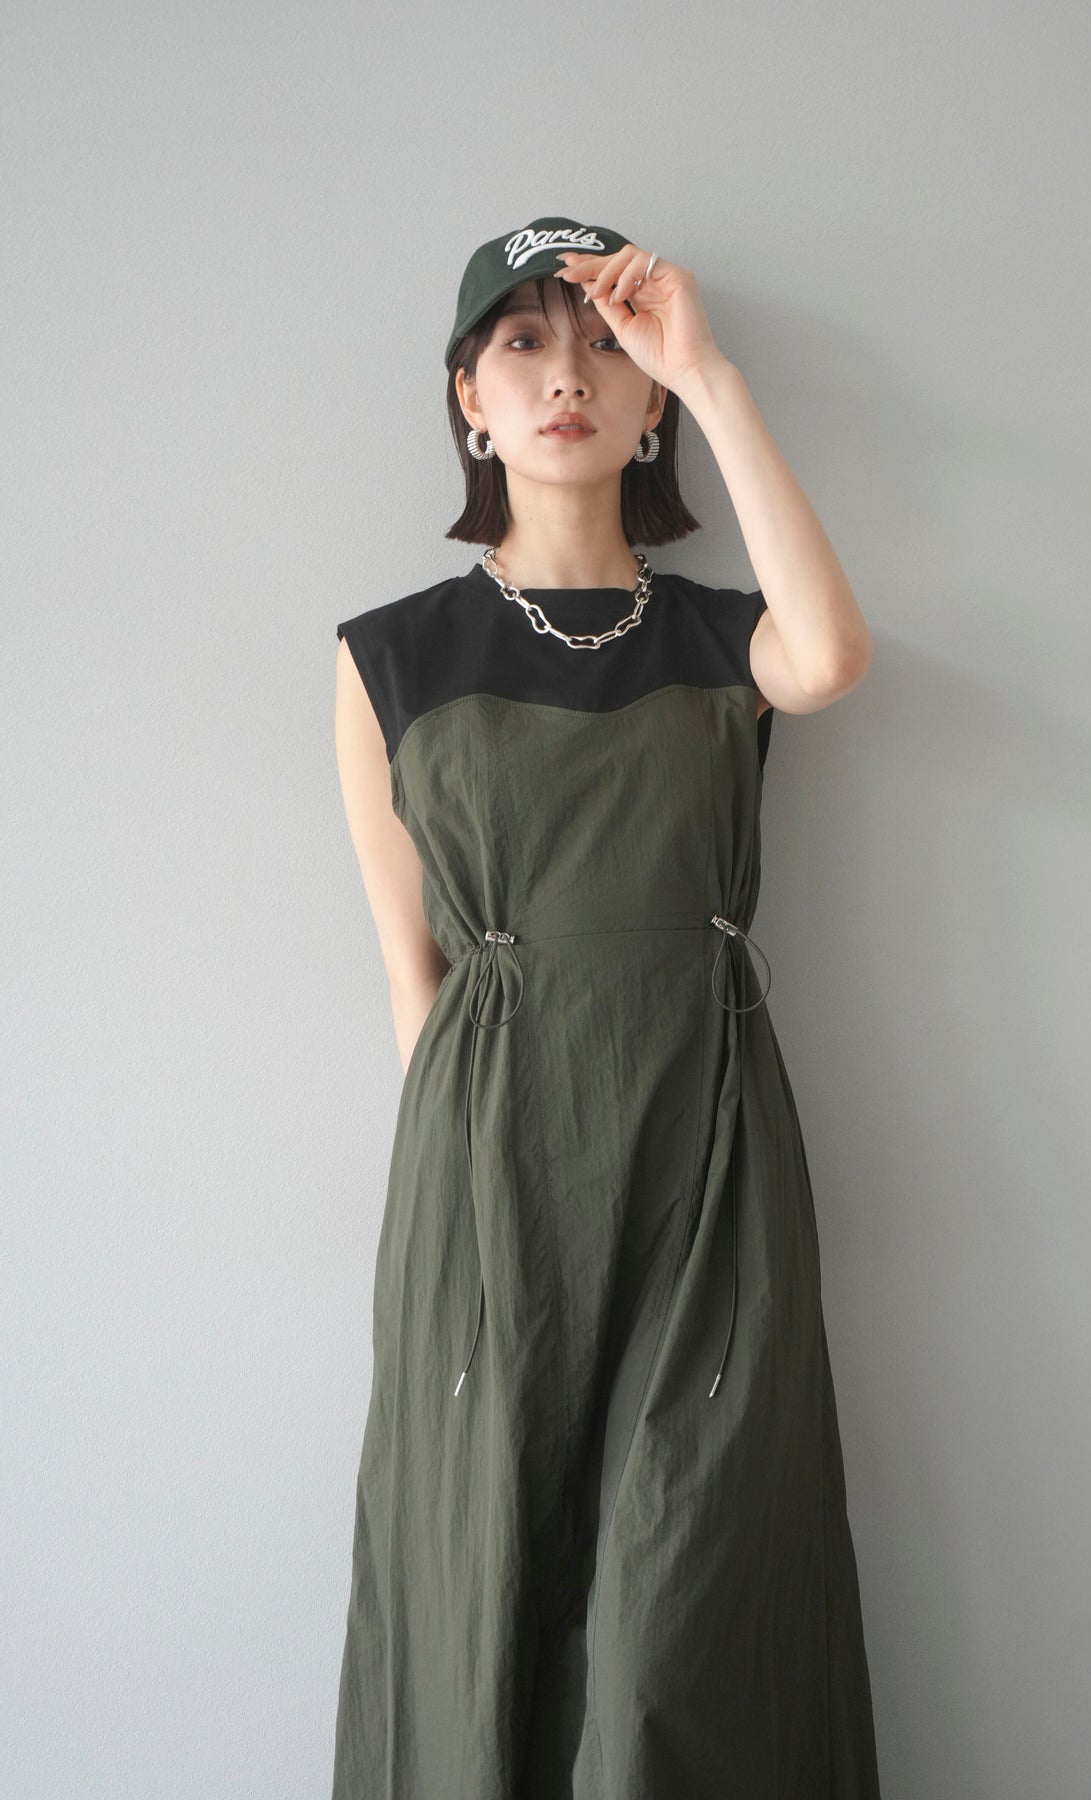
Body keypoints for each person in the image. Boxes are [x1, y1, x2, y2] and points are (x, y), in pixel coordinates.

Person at [330, 215, 881, 1798]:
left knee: (687, 1593)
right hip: (491, 1158)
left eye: (599, 348)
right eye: (522, 344)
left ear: (645, 405)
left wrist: (703, 370)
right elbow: (413, 972)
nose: (564, 377)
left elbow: (830, 656)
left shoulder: (718, 636)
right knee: (482, 1570)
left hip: (703, 1142)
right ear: (469, 398)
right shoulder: (391, 657)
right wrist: (461, 1220)